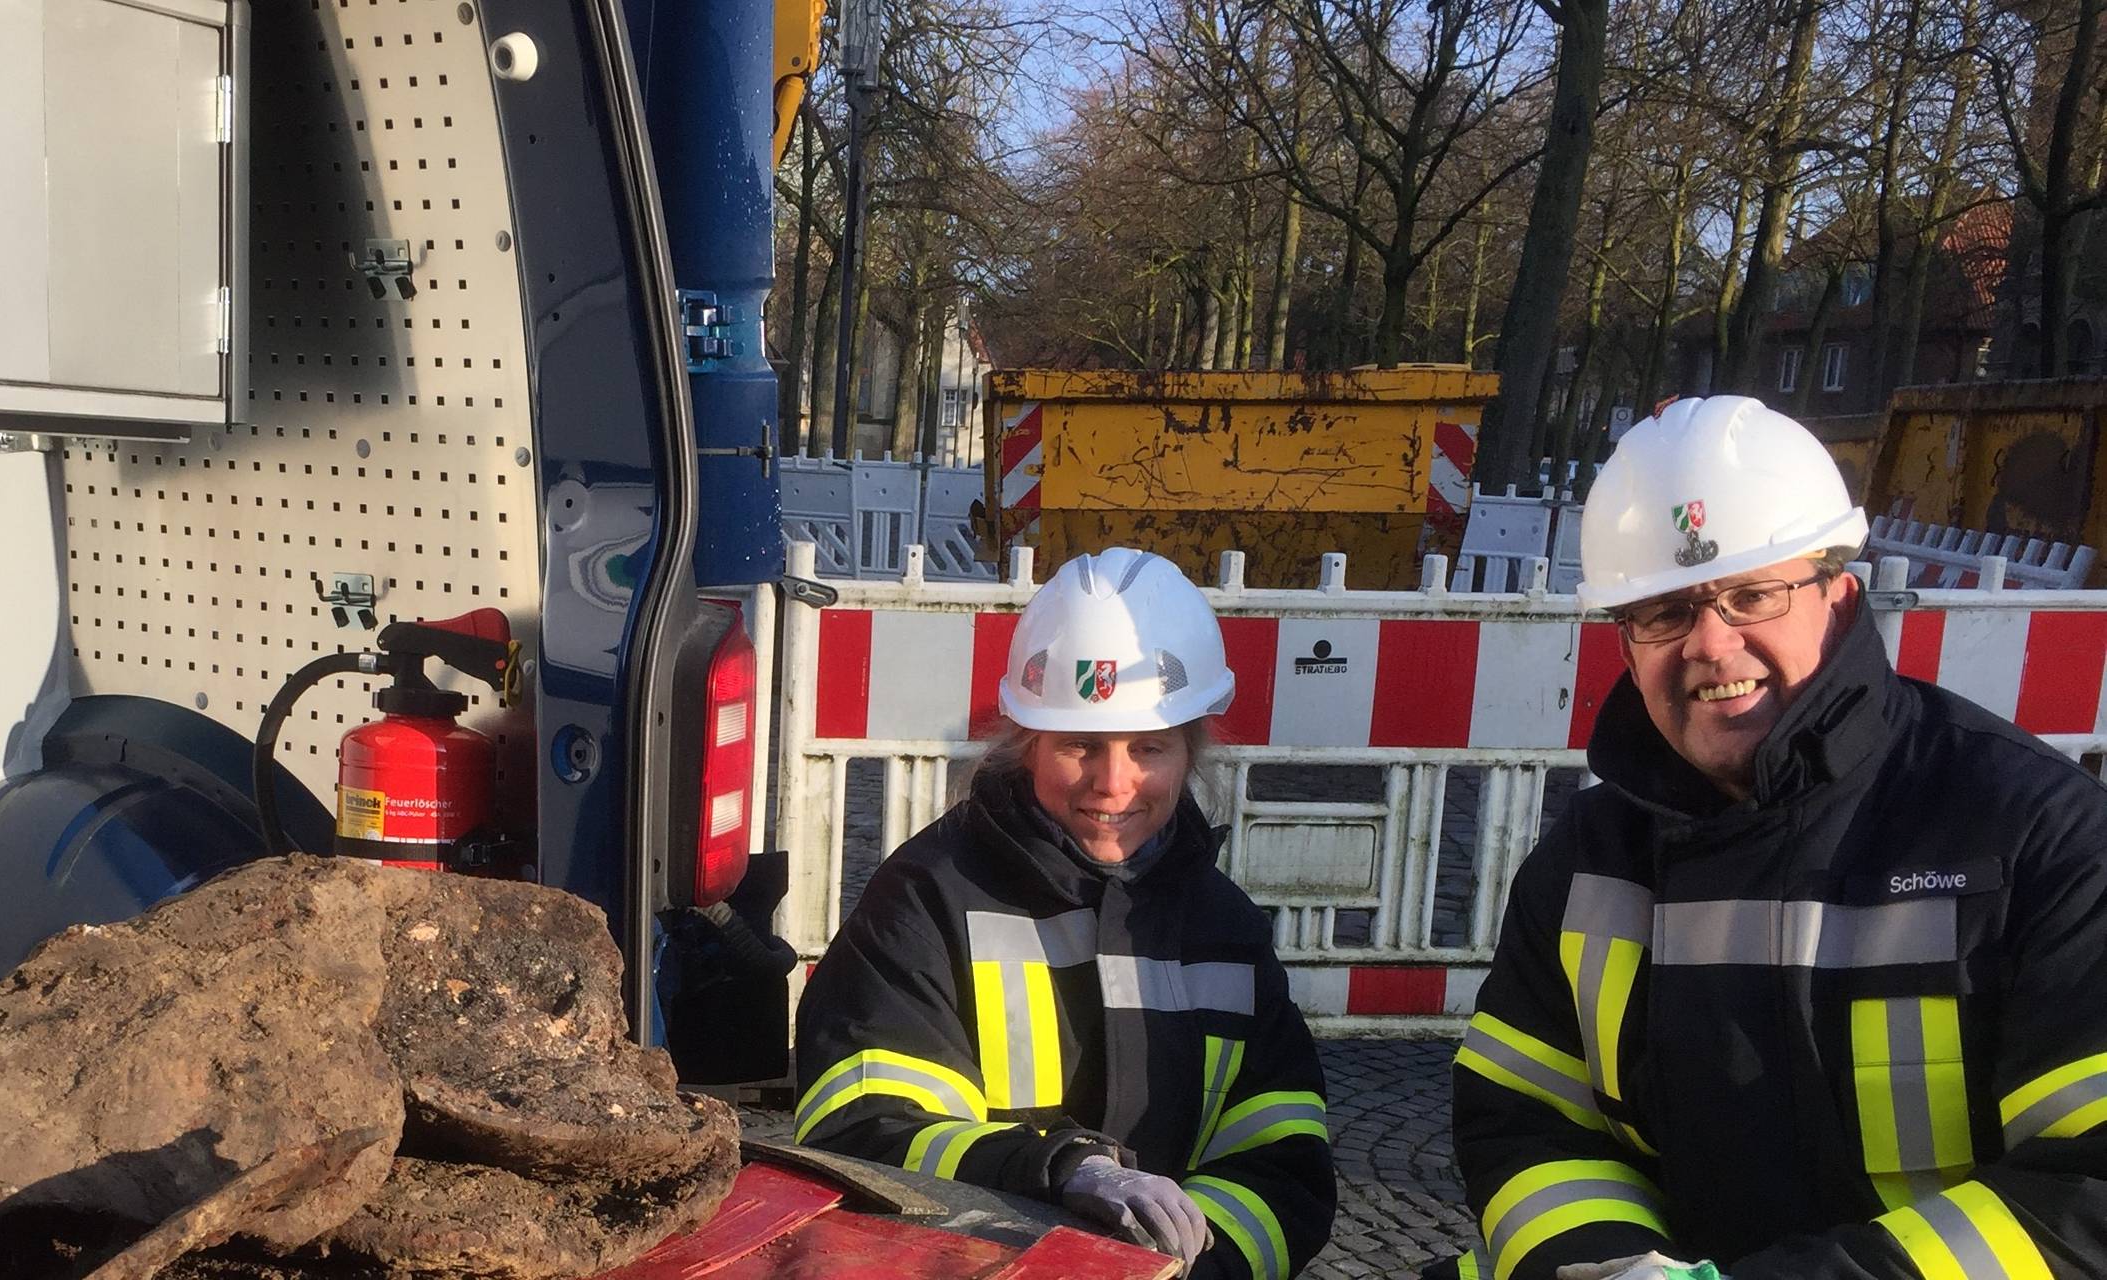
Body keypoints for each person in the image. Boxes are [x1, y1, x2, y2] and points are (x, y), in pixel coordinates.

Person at [1452, 395, 2107, 1279]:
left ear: (1838, 597)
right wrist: (1606, 1264)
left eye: (1752, 594)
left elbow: (2088, 1189)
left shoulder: (2036, 834)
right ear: (1625, 641)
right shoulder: (1588, 859)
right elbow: (1525, 1120)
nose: (1712, 645)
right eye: (1665, 611)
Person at [792, 547, 1335, 1280]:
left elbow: (1286, 1163)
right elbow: (860, 1128)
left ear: (1192, 750)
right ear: (1026, 743)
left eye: (1150, 748)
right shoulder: (928, 897)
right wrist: (1062, 1172)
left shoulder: (1224, 928)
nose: (1114, 785)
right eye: (1080, 745)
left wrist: (1195, 1264)